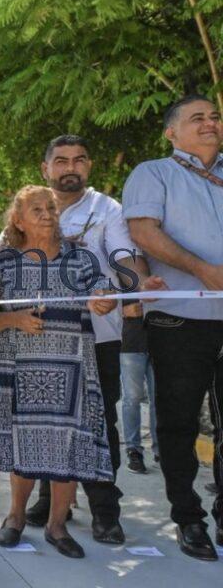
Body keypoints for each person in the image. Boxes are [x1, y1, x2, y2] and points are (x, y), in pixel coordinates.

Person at [22, 135, 151, 545]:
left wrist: (135, 283)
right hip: (44, 336)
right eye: (60, 161)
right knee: (48, 421)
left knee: (100, 424)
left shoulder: (108, 209)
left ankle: (105, 510)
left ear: (89, 167)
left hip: (99, 335)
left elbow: (121, 257)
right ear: (46, 169)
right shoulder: (31, 207)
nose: (69, 168)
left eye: (78, 160)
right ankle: (49, 498)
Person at [0, 185, 116, 559]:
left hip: (72, 367)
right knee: (23, 443)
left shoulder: (80, 257)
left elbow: (101, 291)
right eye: (37, 209)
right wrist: (13, 318)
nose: (47, 214)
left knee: (67, 448)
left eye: (51, 208)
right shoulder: (3, 262)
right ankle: (14, 518)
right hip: (20, 368)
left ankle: (57, 526)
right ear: (18, 219)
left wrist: (105, 300)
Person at [124, 93, 223, 560]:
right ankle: (188, 517)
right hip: (180, 316)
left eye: (215, 116)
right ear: (171, 132)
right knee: (178, 421)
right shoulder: (153, 172)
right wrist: (203, 269)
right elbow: (143, 232)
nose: (210, 123)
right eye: (197, 118)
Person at [119, 302, 158, 474]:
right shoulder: (122, 275)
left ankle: (160, 449)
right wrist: (121, 311)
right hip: (131, 343)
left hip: (162, 342)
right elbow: (102, 305)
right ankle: (133, 450)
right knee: (132, 398)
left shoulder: (161, 275)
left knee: (160, 398)